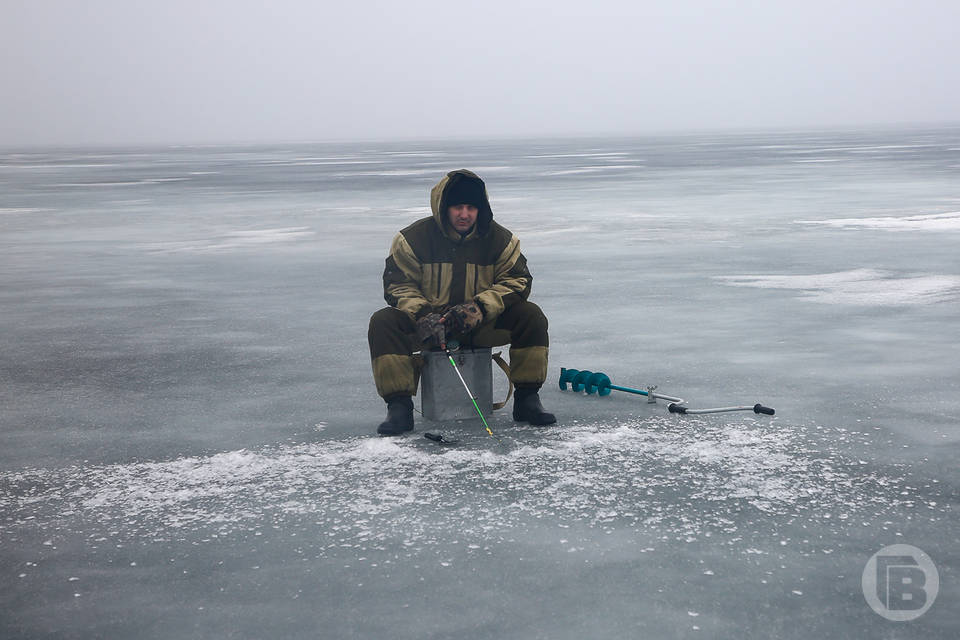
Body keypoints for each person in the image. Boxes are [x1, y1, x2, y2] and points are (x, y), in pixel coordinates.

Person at [368, 169, 556, 435]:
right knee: (383, 321)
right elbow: (398, 284)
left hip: (481, 326)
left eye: (471, 207)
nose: (464, 214)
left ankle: (527, 399)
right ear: (444, 208)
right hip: (428, 328)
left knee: (530, 315)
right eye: (457, 207)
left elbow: (517, 281)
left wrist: (478, 309)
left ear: (481, 209)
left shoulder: (502, 241)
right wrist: (424, 315)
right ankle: (399, 407)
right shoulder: (412, 240)